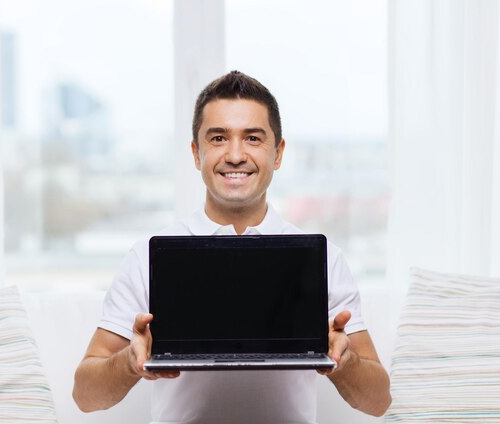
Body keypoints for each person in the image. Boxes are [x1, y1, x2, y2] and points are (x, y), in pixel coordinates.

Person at [73, 71, 391, 422]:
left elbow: (377, 401)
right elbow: (86, 396)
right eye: (219, 138)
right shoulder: (147, 256)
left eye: (253, 138)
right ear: (196, 154)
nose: (236, 155)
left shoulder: (323, 260)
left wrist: (345, 363)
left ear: (278, 153)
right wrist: (128, 363)